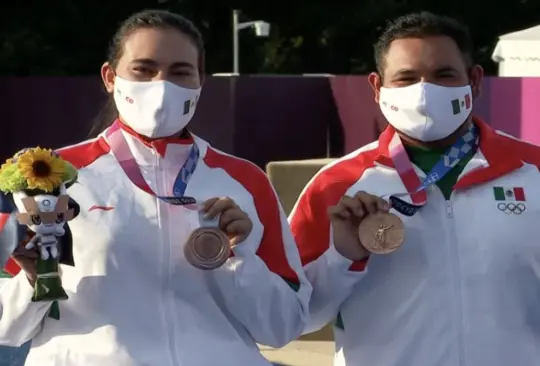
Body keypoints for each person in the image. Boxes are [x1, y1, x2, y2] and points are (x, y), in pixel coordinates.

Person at [0, 9, 311, 366]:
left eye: (180, 72)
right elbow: (6, 328)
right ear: (110, 77)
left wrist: (242, 260)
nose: (161, 86)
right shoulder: (48, 178)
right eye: (143, 70)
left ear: (200, 80)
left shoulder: (245, 181)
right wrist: (36, 280)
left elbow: (285, 327)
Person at [289, 11, 540, 366]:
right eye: (406, 78)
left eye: (443, 75)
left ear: (475, 80)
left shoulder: (532, 171)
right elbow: (292, 319)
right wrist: (344, 258)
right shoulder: (337, 186)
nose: (423, 92)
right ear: (378, 88)